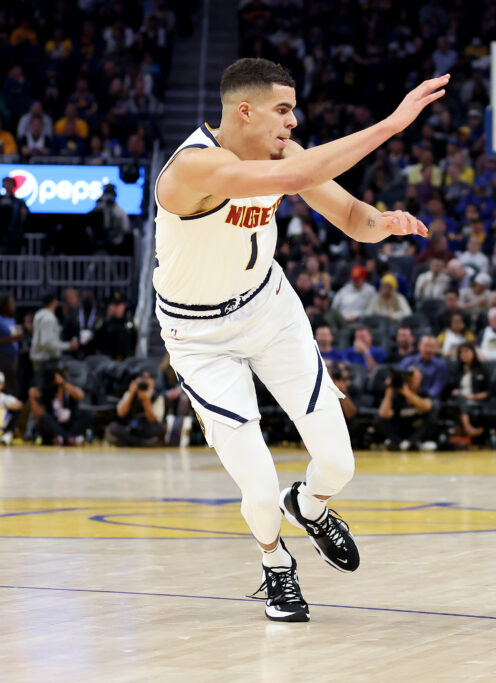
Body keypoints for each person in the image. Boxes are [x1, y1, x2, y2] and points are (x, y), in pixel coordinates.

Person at [152, 56, 448, 622]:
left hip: (269, 310)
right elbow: (291, 181)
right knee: (257, 490)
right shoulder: (192, 169)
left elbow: (353, 218)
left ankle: (309, 506)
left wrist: (382, 222)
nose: (293, 121)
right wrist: (391, 124)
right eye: (282, 109)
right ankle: (276, 567)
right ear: (245, 110)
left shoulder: (284, 154)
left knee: (338, 465)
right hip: (198, 336)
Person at [27, 362, 87, 445]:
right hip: (55, 425)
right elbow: (39, 416)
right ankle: (67, 438)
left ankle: (64, 437)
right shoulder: (47, 389)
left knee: (87, 415)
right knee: (44, 418)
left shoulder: (69, 386)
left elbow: (80, 396)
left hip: (69, 424)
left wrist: (63, 384)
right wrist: (32, 399)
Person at [377, 365, 436, 451]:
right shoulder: (397, 395)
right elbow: (383, 414)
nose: (412, 380)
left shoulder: (424, 394)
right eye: (411, 377)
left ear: (421, 380)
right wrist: (389, 391)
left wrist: (407, 392)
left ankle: (411, 442)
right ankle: (400, 443)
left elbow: (426, 407)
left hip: (416, 429)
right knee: (378, 420)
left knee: (432, 417)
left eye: (416, 378)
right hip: (400, 428)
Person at [106, 371, 167, 447]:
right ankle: (142, 443)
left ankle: (131, 442)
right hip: (131, 427)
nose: (144, 382)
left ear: (152, 382)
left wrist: (146, 399)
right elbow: (121, 413)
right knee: (113, 427)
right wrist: (131, 394)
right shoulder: (130, 393)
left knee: (162, 428)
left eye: (147, 379)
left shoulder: (157, 396)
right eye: (142, 379)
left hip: (147, 428)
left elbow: (152, 419)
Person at [30, 292, 78, 374]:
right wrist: (68, 345)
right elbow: (47, 343)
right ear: (54, 301)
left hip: (38, 357)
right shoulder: (49, 318)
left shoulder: (38, 315)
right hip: (46, 360)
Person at [449, 342, 489, 441]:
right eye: (461, 352)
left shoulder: (482, 368)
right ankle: (467, 428)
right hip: (459, 400)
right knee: (459, 397)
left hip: (475, 400)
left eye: (466, 351)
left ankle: (461, 432)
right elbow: (451, 387)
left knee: (460, 399)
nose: (464, 354)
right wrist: (454, 391)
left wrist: (472, 397)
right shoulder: (457, 370)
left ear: (473, 353)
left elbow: (488, 392)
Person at [399, 335, 448, 400]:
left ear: (437, 348)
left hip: (429, 399)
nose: (428, 349)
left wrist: (420, 399)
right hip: (406, 395)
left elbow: (437, 387)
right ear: (419, 345)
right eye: (426, 346)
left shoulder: (441, 364)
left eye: (432, 346)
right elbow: (399, 378)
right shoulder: (408, 361)